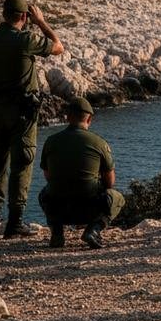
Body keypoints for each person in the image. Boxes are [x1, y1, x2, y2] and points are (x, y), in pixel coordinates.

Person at [0, 0, 64, 237]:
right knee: (21, 164)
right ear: (24, 17)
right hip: (22, 113)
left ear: (3, 13)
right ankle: (14, 223)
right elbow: (58, 47)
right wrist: (42, 22)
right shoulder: (26, 40)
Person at [38, 97, 125, 249]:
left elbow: (48, 176)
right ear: (89, 119)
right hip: (88, 208)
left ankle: (57, 233)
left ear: (67, 116)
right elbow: (110, 182)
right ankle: (93, 230)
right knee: (115, 197)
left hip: (59, 209)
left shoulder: (51, 141)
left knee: (44, 194)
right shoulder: (98, 142)